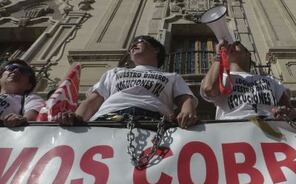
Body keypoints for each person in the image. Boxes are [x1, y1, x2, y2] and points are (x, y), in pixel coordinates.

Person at [57, 35, 198, 128]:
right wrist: (76, 117)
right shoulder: (114, 72)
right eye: (131, 46)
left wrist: (187, 114)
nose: (133, 46)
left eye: (139, 42)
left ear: (155, 49)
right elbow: (94, 100)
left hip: (152, 121)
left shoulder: (172, 76)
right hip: (107, 119)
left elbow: (185, 99)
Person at [200, 40, 295, 120]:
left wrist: (285, 112)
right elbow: (209, 88)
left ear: (248, 54)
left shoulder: (271, 81)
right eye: (229, 46)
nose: (231, 47)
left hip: (270, 132)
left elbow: (291, 112)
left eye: (235, 44)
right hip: (233, 132)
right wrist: (220, 55)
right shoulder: (221, 78)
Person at [0, 59, 45, 127]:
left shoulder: (31, 99)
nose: (16, 71)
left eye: (23, 70)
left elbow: (28, 120)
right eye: (11, 67)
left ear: (29, 85)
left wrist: (20, 120)